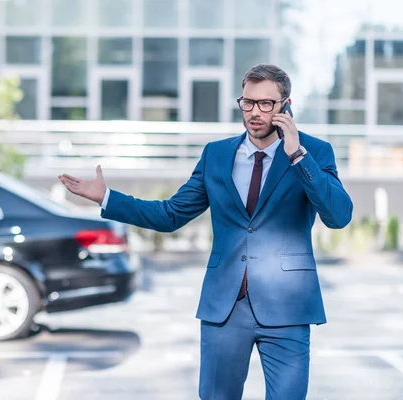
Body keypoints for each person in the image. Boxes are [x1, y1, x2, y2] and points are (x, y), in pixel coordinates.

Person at [58, 63, 353, 400]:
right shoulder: (217, 155)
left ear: (286, 106)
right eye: (248, 102)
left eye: (267, 104)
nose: (255, 112)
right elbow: (171, 214)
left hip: (288, 307)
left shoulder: (314, 152)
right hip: (225, 308)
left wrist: (298, 155)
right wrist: (107, 198)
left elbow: (338, 216)